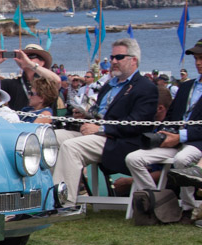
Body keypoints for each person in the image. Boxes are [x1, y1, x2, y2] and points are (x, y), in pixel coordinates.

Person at [53, 38, 158, 208]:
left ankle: (64, 203)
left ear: (134, 60)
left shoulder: (145, 87)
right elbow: (99, 113)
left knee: (71, 147)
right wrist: (84, 115)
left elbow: (137, 124)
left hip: (119, 140)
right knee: (50, 138)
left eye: (119, 57)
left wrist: (100, 128)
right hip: (95, 133)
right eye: (112, 57)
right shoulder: (109, 85)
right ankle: (44, 195)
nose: (113, 62)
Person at [124, 39, 202, 221]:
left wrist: (180, 136)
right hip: (175, 138)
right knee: (133, 159)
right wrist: (164, 133)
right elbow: (172, 115)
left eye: (201, 58)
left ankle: (189, 207)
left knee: (182, 160)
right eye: (197, 58)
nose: (198, 62)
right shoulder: (186, 87)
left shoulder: (185, 87)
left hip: (195, 141)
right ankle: (158, 201)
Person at [0, 44, 60, 112]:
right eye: (23, 56)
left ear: (42, 62)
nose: (25, 58)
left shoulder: (47, 82)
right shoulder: (11, 83)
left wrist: (30, 64)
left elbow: (57, 81)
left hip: (44, 125)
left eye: (31, 56)